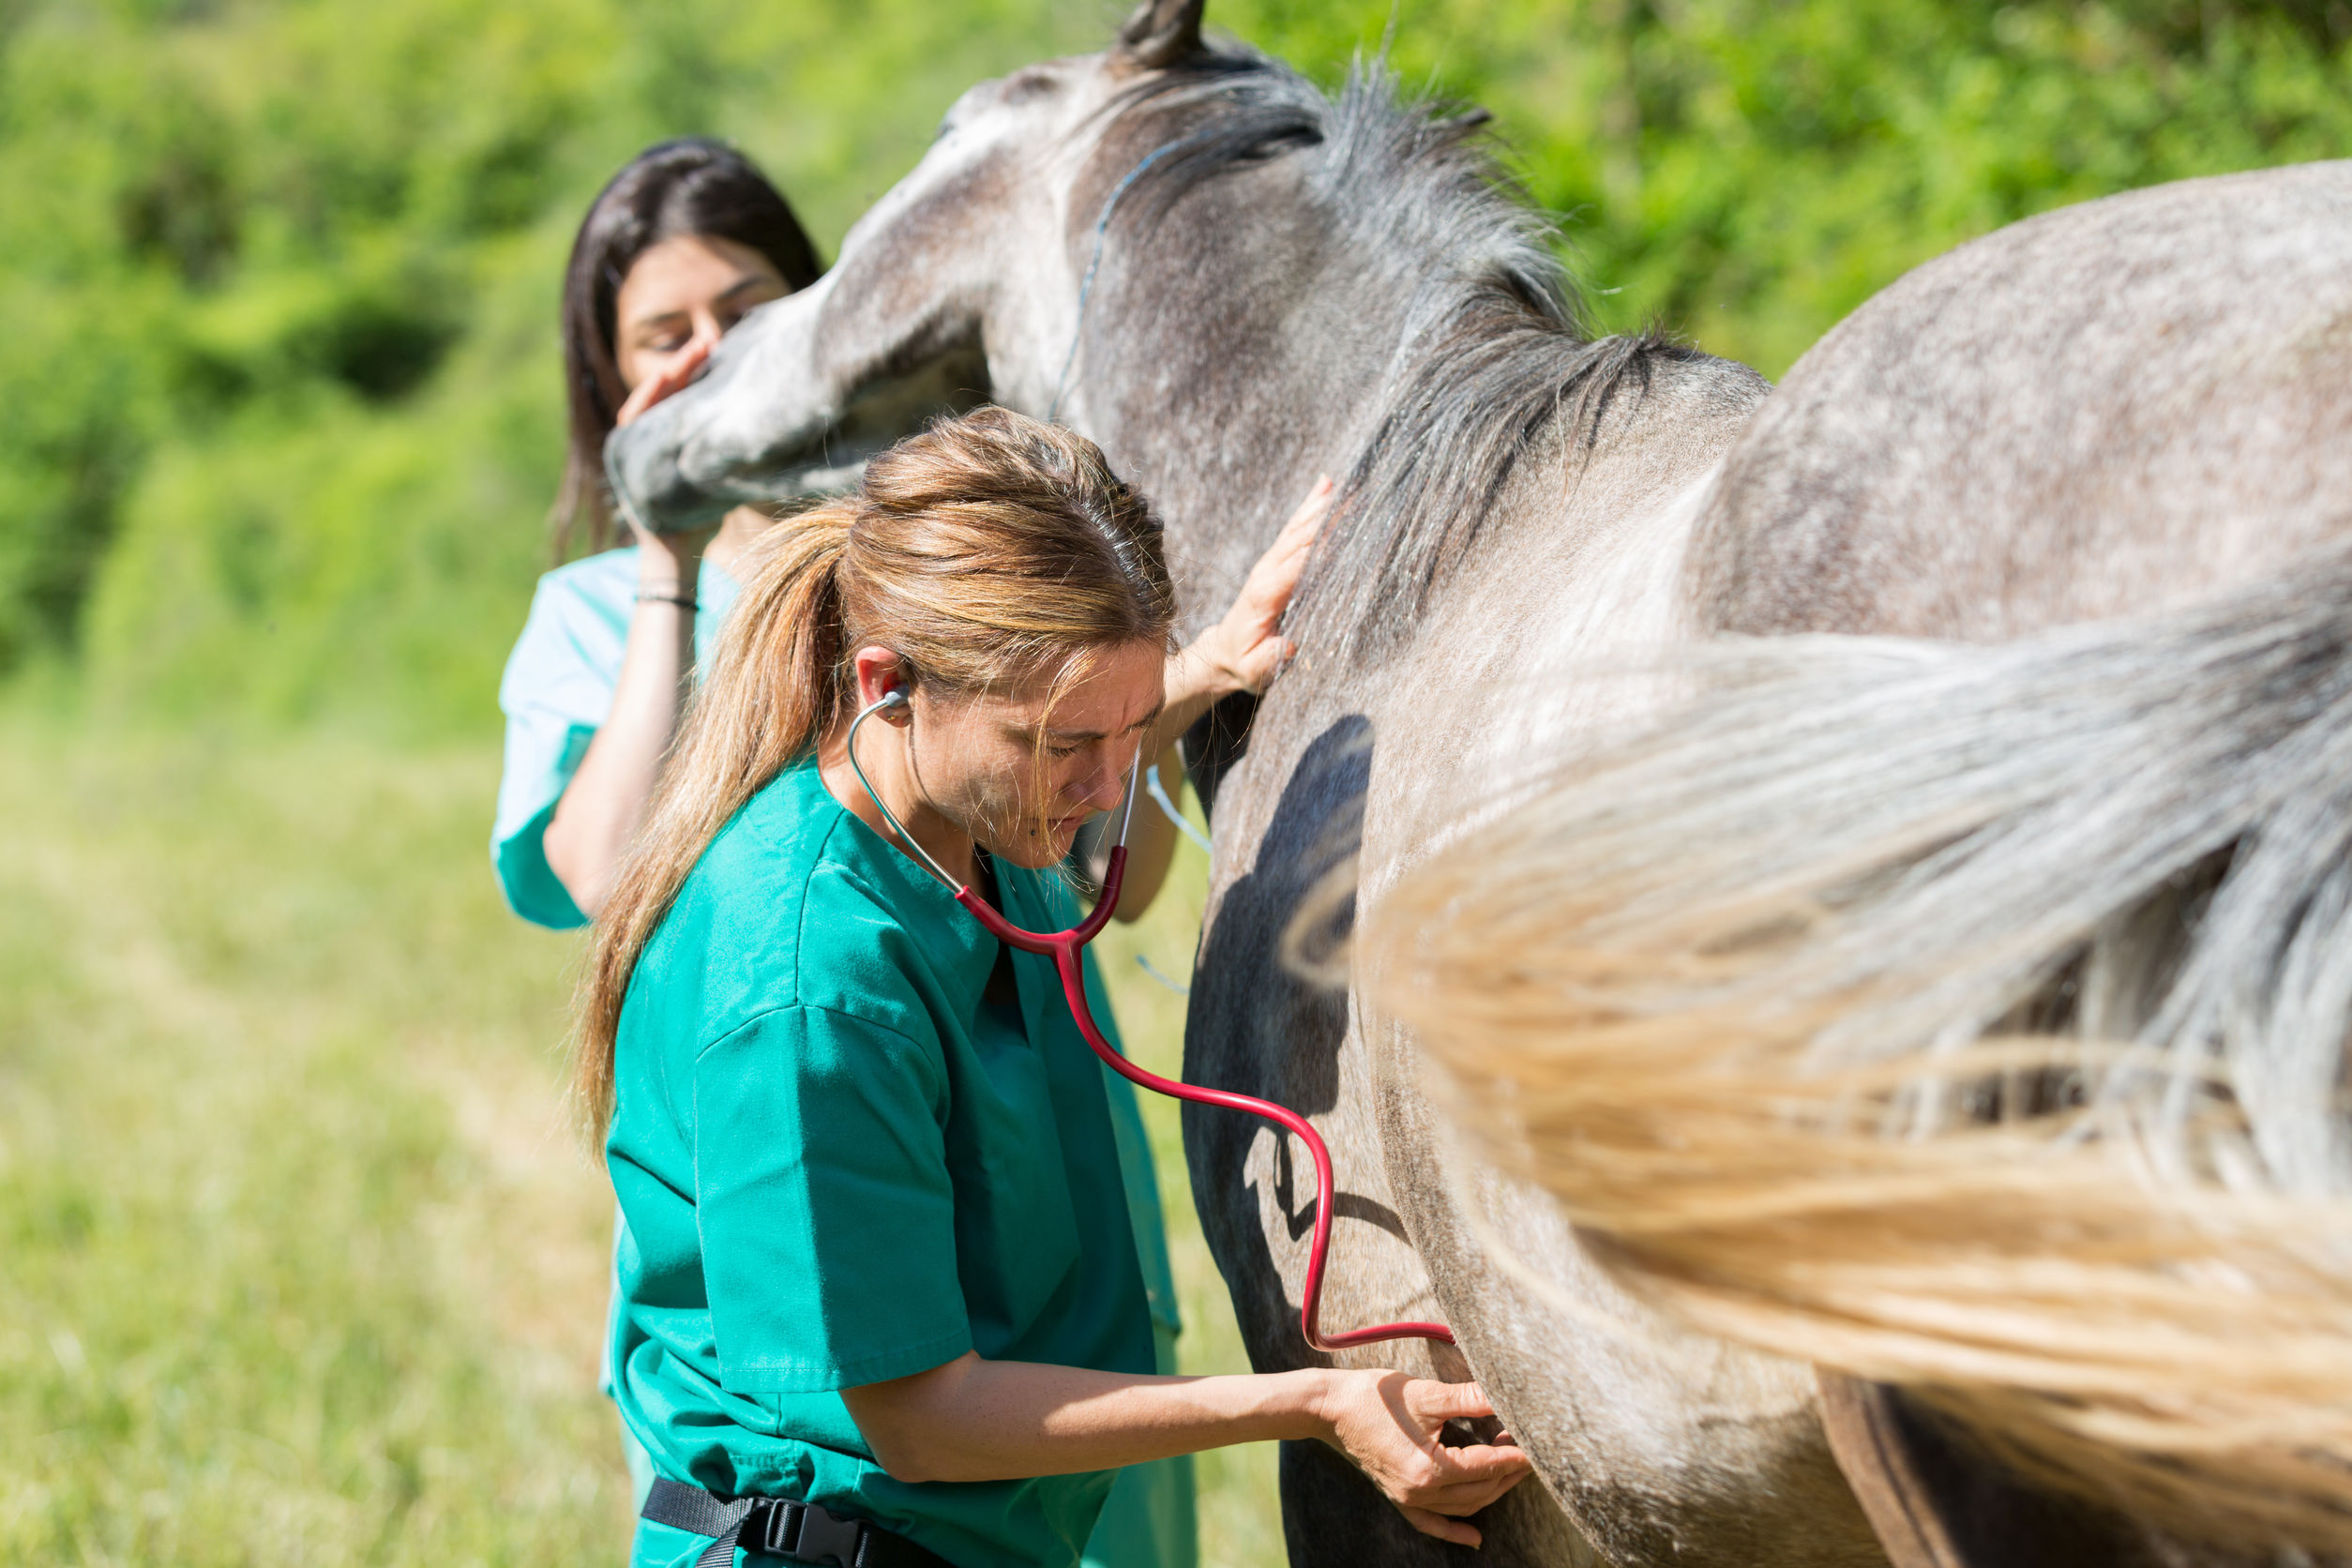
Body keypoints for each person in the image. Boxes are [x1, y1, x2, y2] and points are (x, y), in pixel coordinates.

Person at [577, 407, 1531, 1568]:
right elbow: (917, 1418)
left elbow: (1068, 726)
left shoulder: (975, 825)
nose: (1106, 782)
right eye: (1066, 740)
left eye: (1133, 727)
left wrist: (1212, 663)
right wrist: (1307, 1402)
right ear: (886, 684)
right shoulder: (804, 990)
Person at [491, 144, 1200, 1564]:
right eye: (660, 337)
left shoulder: (972, 679)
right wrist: (666, 563)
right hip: (865, 1403)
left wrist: (1170, 692)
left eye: (742, 312)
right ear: (882, 685)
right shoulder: (801, 950)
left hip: (1034, 1313)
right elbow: (617, 880)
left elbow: (1098, 865)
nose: (705, 359)